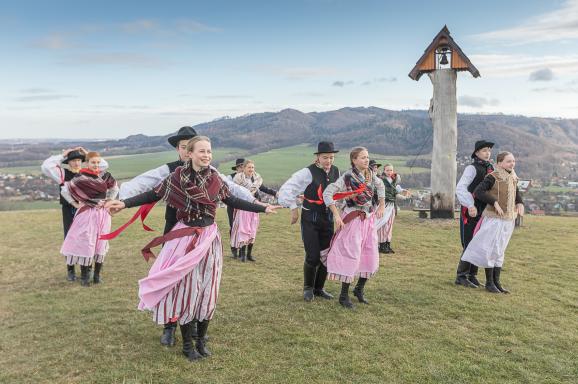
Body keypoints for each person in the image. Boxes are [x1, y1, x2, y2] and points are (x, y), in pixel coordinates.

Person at [105, 136, 279, 361]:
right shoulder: (176, 178)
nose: (206, 155)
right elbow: (153, 194)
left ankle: (200, 340)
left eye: (209, 151)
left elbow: (233, 200)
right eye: (202, 151)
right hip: (185, 238)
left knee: (208, 288)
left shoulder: (216, 178)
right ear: (190, 153)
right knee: (189, 290)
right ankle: (187, 345)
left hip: (209, 238)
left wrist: (260, 207)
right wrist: (125, 202)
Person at [322, 146, 385, 309]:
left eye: (367, 157)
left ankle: (359, 289)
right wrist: (336, 215)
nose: (366, 160)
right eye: (363, 157)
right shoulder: (347, 177)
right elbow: (327, 193)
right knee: (352, 254)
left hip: (368, 220)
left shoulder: (371, 174)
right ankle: (343, 296)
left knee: (369, 254)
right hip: (353, 220)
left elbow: (381, 186)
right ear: (354, 160)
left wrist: (382, 205)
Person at [278, 141, 340, 301]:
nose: (329, 161)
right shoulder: (307, 172)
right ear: (318, 157)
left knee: (326, 255)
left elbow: (337, 193)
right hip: (310, 218)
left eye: (331, 157)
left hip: (327, 218)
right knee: (313, 255)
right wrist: (293, 208)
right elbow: (286, 189)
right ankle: (308, 288)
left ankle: (319, 288)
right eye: (325, 157)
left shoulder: (336, 171)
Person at [41, 147, 108, 281]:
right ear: (68, 162)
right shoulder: (62, 174)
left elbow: (103, 164)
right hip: (70, 209)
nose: (76, 163)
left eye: (78, 160)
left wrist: (88, 154)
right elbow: (46, 166)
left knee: (89, 237)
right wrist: (62, 155)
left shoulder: (90, 173)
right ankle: (71, 270)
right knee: (70, 238)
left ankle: (87, 268)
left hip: (88, 210)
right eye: (73, 160)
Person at [460, 151, 524, 294]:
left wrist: (520, 203)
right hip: (494, 219)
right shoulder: (493, 177)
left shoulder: (513, 176)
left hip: (508, 219)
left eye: (513, 161)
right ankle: (489, 282)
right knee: (491, 248)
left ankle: (496, 282)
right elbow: (478, 191)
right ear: (500, 163)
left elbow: (516, 192)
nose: (512, 163)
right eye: (508, 161)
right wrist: (494, 202)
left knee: (500, 250)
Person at [60, 151, 118, 286]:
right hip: (86, 213)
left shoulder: (105, 176)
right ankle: (85, 277)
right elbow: (65, 190)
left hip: (103, 213)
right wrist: (75, 203)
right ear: (87, 163)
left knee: (101, 242)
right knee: (86, 241)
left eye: (98, 162)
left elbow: (114, 188)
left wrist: (110, 201)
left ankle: (97, 276)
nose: (96, 165)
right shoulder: (80, 177)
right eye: (93, 162)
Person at [454, 140, 495, 288]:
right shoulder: (472, 168)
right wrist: (470, 205)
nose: (487, 153)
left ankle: (472, 275)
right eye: (484, 150)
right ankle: (461, 276)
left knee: (479, 243)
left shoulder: (491, 168)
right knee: (469, 242)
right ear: (477, 153)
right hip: (471, 210)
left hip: (484, 211)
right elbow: (460, 188)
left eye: (489, 150)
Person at [230, 160, 277, 262]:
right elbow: (234, 192)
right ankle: (242, 255)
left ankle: (249, 254)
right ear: (244, 168)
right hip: (243, 206)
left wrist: (275, 193)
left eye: (252, 167)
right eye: (249, 167)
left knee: (252, 229)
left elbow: (263, 188)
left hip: (254, 206)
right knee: (243, 229)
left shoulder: (257, 179)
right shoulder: (238, 179)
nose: (251, 169)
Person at [374, 164, 410, 254]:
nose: (389, 172)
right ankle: (381, 245)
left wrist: (404, 194)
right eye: (387, 170)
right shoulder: (381, 180)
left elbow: (396, 192)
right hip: (383, 205)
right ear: (384, 170)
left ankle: (387, 244)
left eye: (391, 170)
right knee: (382, 224)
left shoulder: (394, 181)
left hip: (392, 206)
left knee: (389, 225)